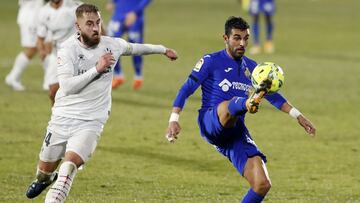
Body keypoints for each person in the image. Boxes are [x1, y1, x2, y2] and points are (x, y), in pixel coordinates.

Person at [25, 4, 178, 202]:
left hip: (91, 121)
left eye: (98, 22)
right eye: (89, 24)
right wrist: (96, 69)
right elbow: (68, 86)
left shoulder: (111, 45)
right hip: (62, 119)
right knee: (44, 172)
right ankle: (45, 179)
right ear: (77, 26)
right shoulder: (67, 49)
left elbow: (135, 48)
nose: (95, 28)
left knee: (69, 167)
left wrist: (163, 50)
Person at [165, 16, 315, 202]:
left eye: (246, 38)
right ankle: (248, 103)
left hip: (234, 131)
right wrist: (174, 118)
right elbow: (186, 88)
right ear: (225, 38)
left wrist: (299, 116)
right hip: (211, 120)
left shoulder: (253, 68)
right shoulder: (210, 61)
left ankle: (250, 102)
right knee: (233, 103)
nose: (242, 43)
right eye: (237, 38)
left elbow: (275, 97)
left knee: (262, 184)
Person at [37, 0, 81, 105]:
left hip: (76, 54)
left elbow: (96, 24)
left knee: (76, 93)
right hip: (57, 54)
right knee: (53, 92)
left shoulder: (75, 7)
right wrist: (42, 50)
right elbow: (40, 38)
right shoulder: (44, 11)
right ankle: (57, 119)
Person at [106, 0, 152, 90]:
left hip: (135, 16)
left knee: (135, 46)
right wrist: (112, 1)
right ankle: (118, 75)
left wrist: (135, 12)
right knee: (110, 43)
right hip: (119, 14)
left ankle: (138, 76)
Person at [5, 0, 45, 91]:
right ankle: (13, 77)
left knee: (42, 46)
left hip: (35, 14)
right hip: (30, 17)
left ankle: (13, 77)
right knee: (33, 48)